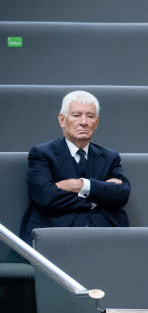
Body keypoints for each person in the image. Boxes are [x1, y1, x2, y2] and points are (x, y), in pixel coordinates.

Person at [18, 90, 131, 243]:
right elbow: (46, 197)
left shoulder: (110, 157)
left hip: (106, 237)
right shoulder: (41, 153)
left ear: (96, 123)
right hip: (56, 235)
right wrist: (99, 196)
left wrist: (81, 185)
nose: (84, 122)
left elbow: (122, 194)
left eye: (90, 116)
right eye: (76, 115)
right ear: (62, 120)